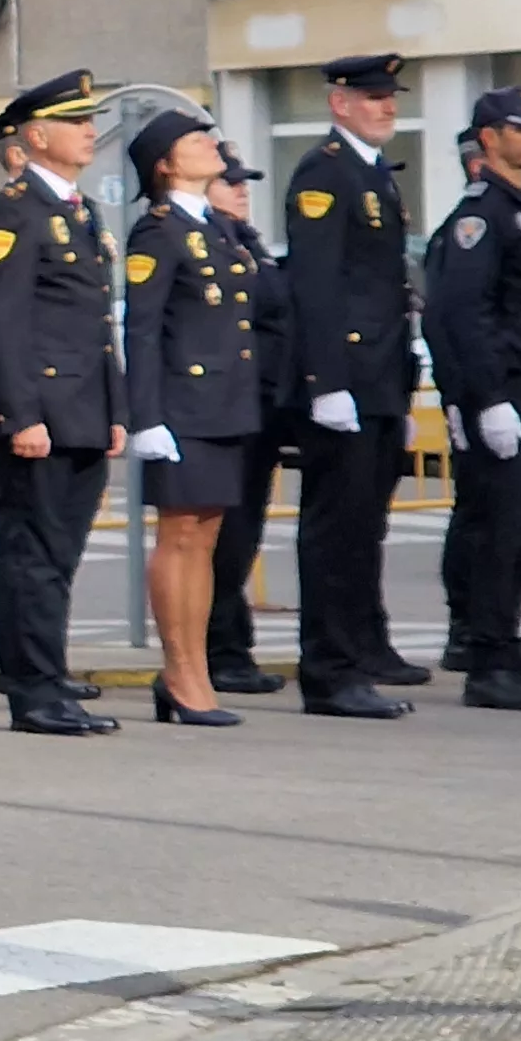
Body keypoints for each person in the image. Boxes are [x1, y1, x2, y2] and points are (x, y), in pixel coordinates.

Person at [0, 71, 124, 736]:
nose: (90, 131)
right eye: (75, 120)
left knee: (59, 559)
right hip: (40, 419)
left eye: (90, 120)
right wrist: (20, 415)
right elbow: (0, 323)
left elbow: (94, 325)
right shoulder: (13, 211)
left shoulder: (80, 213)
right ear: (36, 135)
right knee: (31, 559)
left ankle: (49, 676)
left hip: (80, 413)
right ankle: (33, 691)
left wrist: (114, 410)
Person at [421, 88, 521, 711]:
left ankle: (503, 644)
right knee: (497, 528)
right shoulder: (480, 215)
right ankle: (487, 661)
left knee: (520, 532)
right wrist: (485, 398)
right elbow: (462, 312)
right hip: (508, 389)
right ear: (489, 137)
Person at [285, 54, 432, 716]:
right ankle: (329, 669)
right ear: (338, 102)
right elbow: (316, 285)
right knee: (335, 531)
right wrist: (327, 381)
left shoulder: (373, 174)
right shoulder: (325, 173)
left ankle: (361, 651)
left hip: (377, 379)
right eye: (372, 97)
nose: (386, 107)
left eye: (390, 98)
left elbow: (383, 291)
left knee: (363, 527)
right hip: (345, 379)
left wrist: (398, 387)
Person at [120, 109, 262, 729]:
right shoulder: (159, 231)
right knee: (179, 539)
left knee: (205, 541)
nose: (211, 146)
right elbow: (143, 330)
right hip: (181, 409)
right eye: (195, 140)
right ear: (165, 164)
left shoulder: (219, 229)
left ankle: (194, 670)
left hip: (222, 406)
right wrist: (146, 416)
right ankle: (181, 674)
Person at [200, 145, 289, 696]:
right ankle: (218, 650)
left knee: (242, 537)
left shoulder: (247, 241)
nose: (240, 189)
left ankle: (234, 646)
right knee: (222, 541)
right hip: (224, 409)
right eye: (228, 181)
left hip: (260, 409)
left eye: (243, 181)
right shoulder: (206, 240)